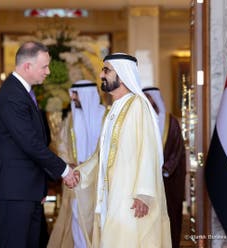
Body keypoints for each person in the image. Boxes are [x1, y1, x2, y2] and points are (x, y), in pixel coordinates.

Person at [72, 53, 171, 247]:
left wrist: (144, 193)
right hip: (112, 192)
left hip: (132, 196)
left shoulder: (138, 106)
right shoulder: (114, 109)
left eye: (107, 70)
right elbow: (102, 154)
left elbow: (148, 151)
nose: (101, 75)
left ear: (122, 74)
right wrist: (80, 173)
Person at [0, 41, 79, 248]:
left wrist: (39, 187)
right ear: (27, 66)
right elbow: (29, 143)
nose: (48, 72)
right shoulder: (13, 95)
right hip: (15, 191)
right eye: (44, 67)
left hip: (25, 190)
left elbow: (36, 142)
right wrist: (64, 170)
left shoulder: (23, 92)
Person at [48, 80, 106, 248]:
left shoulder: (105, 116)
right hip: (76, 178)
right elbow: (62, 144)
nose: (72, 97)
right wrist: (69, 164)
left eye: (76, 94)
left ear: (87, 94)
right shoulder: (71, 119)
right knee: (76, 217)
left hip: (99, 179)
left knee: (99, 218)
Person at [143, 87, 186, 248]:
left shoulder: (170, 122)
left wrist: (165, 169)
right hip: (146, 182)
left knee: (170, 218)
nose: (148, 101)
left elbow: (177, 150)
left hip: (168, 182)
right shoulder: (140, 121)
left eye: (150, 97)